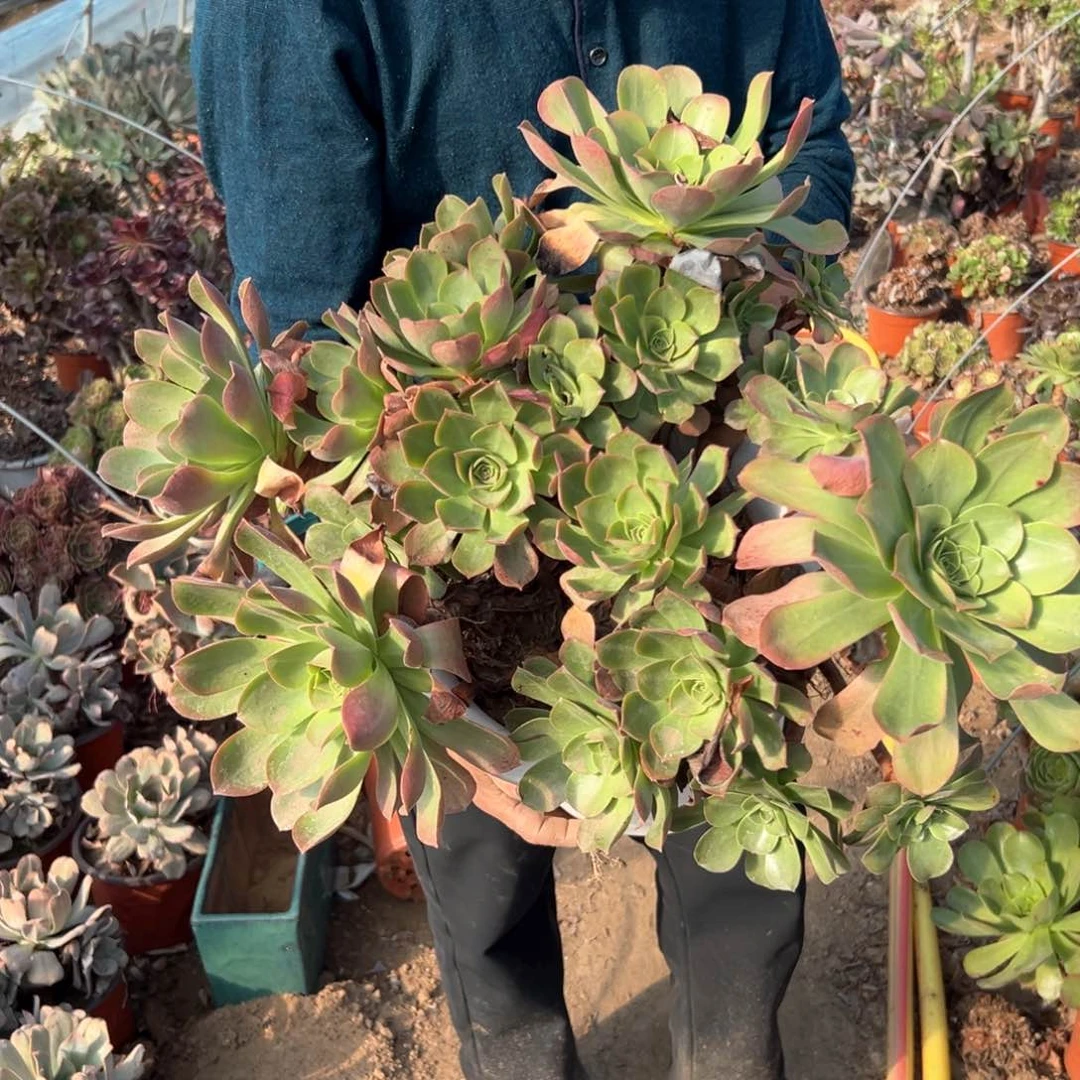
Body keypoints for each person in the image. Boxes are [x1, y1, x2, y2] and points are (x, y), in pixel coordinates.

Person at [192, 5, 854, 1079]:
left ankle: (729, 1053)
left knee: (743, 870)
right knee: (488, 894)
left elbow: (815, 139)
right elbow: (303, 350)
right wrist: (394, 641)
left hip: (718, 499)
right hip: (457, 561)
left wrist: (716, 245)